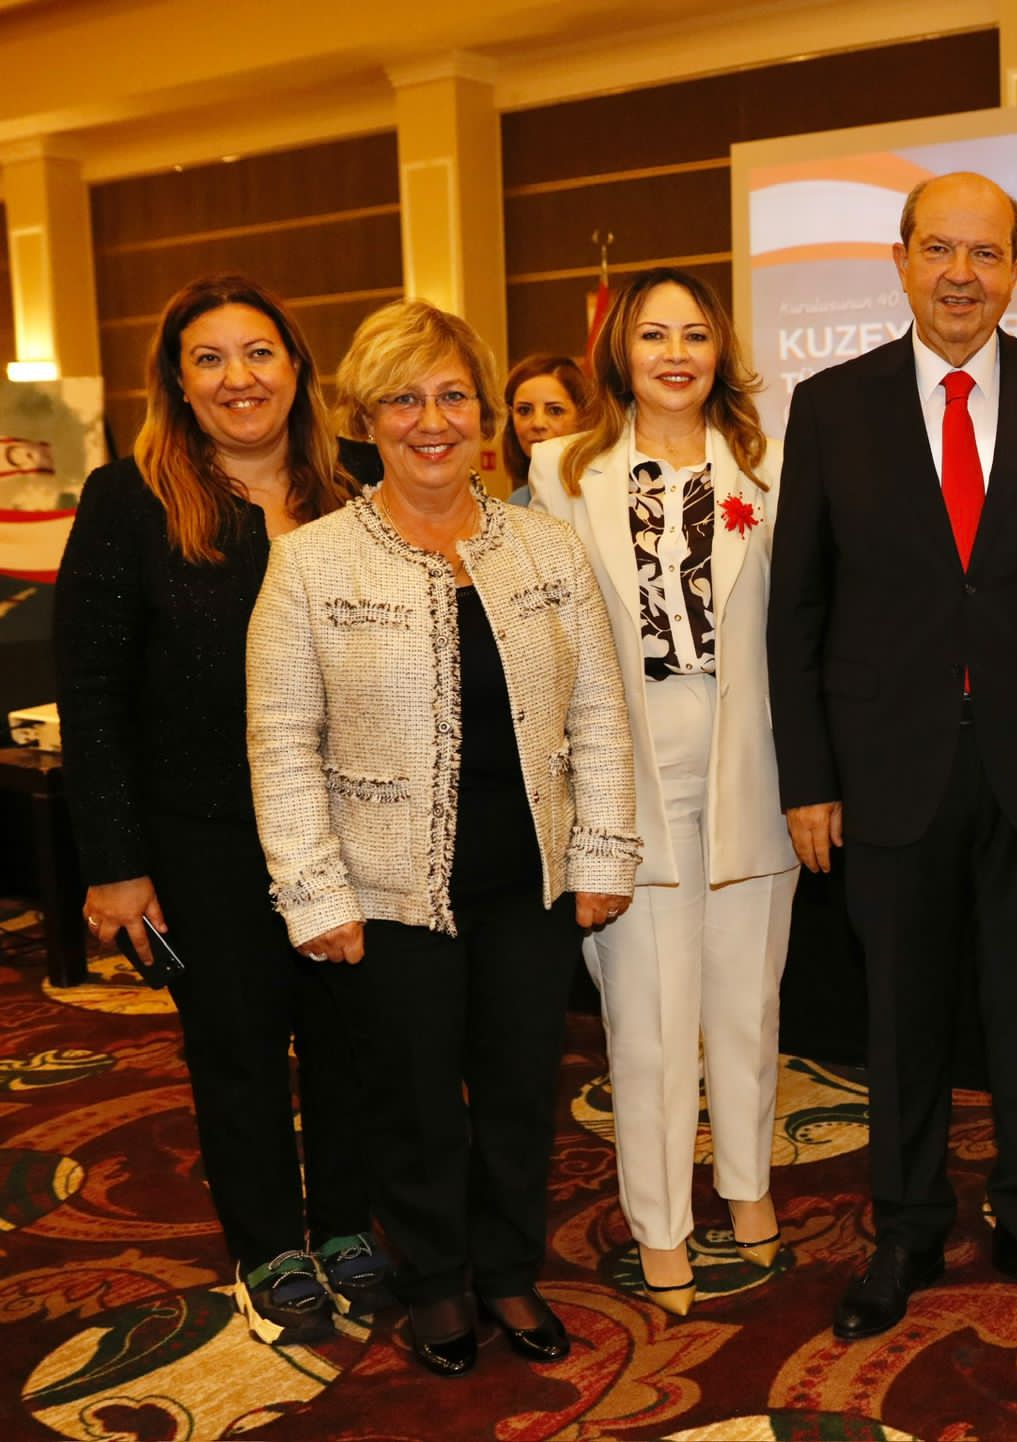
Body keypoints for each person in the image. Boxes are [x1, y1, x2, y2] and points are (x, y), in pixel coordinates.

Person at [767, 171, 1017, 1339]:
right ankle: (906, 1225)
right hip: (886, 767)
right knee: (901, 1017)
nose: (961, 275)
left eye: (985, 253)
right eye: (939, 249)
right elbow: (797, 608)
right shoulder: (831, 405)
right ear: (899, 260)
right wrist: (807, 778)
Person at [246, 299, 640, 1377]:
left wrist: (604, 852)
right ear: (365, 419)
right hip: (386, 891)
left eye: (454, 395)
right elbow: (281, 741)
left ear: (484, 416)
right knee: (414, 1102)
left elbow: (598, 713)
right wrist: (313, 892)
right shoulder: (311, 562)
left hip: (527, 881)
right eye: (405, 399)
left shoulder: (545, 546)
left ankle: (507, 1268)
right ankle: (433, 1282)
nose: (433, 420)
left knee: (518, 1092)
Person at [52, 274, 389, 1346]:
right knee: (237, 1045)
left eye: (258, 352)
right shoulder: (129, 499)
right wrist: (115, 862)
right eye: (210, 358)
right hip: (204, 830)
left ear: (296, 367)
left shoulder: (362, 481)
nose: (238, 378)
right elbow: (92, 689)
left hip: (353, 820)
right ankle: (269, 1244)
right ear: (179, 382)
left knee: (350, 1038)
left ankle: (346, 1221)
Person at [527, 270, 799, 1317]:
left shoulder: (768, 464)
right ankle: (660, 1223)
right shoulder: (561, 469)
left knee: (746, 1004)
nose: (675, 353)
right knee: (647, 1020)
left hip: (752, 759)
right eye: (653, 334)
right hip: (621, 764)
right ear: (620, 350)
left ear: (719, 349)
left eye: (693, 334)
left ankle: (747, 1184)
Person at [502, 353, 590, 504]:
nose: (538, 424)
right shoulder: (517, 502)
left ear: (583, 417)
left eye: (555, 411)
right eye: (524, 410)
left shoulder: (604, 493)